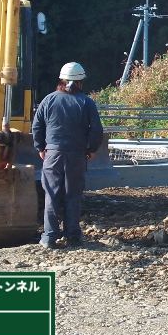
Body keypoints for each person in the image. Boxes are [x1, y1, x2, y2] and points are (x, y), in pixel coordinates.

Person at [32, 61, 104, 248]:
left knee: (51, 195)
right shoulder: (86, 102)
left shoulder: (48, 100)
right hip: (76, 155)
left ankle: (49, 237)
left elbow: (37, 126)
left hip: (53, 153)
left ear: (61, 80)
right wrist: (91, 149)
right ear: (80, 82)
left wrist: (41, 148)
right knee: (73, 195)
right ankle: (73, 237)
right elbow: (96, 130)